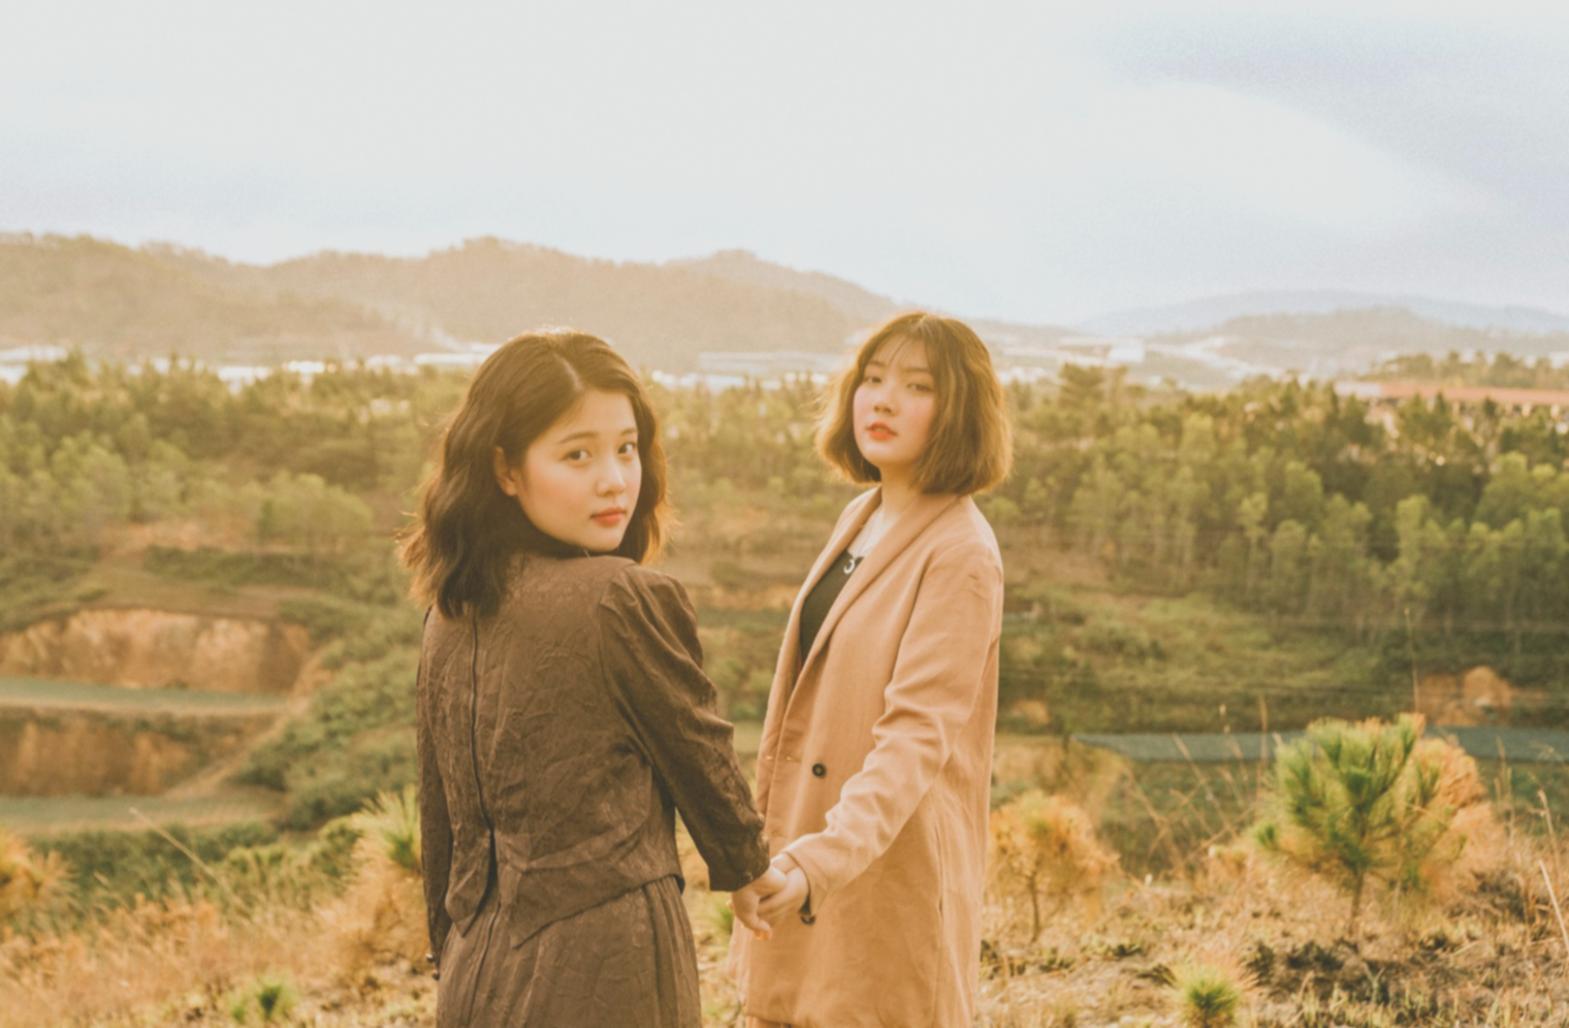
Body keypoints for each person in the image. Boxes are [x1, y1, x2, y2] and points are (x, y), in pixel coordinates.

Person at [401, 329, 784, 1027]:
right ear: (505, 470)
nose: (614, 479)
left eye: (626, 448)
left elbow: (441, 820)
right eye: (577, 454)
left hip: (475, 969)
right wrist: (749, 869)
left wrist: (446, 949)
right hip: (608, 966)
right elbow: (697, 746)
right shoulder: (619, 595)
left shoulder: (448, 612)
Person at [734, 311, 1013, 1026]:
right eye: (873, 378)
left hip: (882, 868)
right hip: (808, 849)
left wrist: (815, 862)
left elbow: (913, 741)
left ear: (960, 415)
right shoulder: (862, 515)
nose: (882, 400)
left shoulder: (960, 553)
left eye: (916, 386)